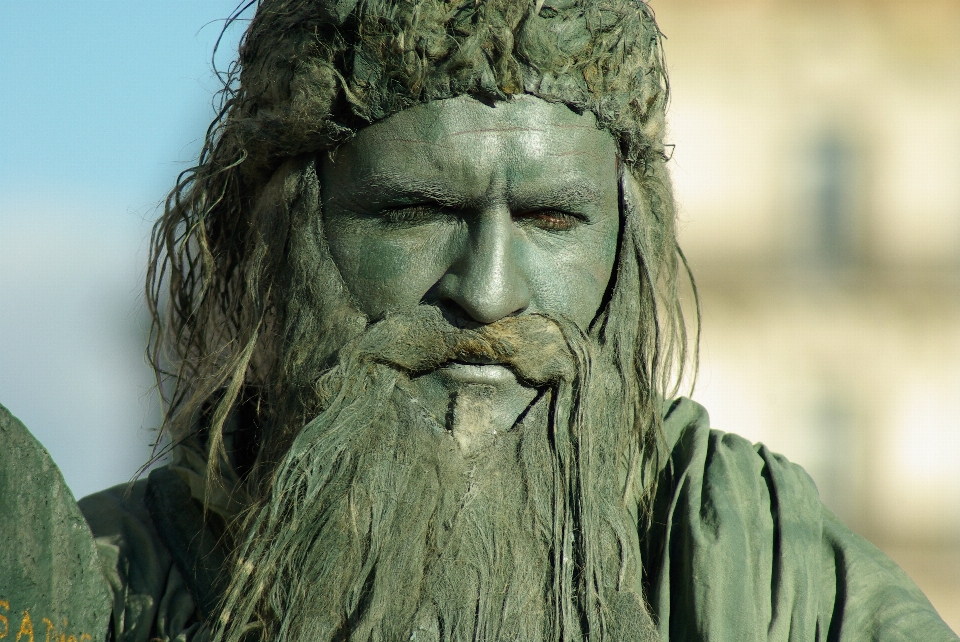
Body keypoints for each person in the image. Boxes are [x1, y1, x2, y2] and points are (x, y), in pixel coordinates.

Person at [1, 0, 956, 640]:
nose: (489, 291)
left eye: (550, 220)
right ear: (280, 234)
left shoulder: (765, 578)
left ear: (625, 241)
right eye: (415, 213)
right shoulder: (108, 587)